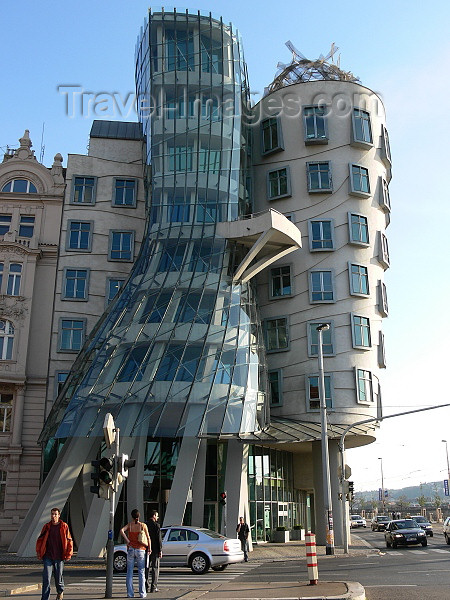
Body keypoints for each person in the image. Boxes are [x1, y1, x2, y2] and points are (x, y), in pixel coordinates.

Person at [36, 507, 73, 600]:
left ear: (59, 515)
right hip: (47, 556)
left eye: (55, 514)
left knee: (58, 577)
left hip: (59, 556)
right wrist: (39, 552)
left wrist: (69, 554)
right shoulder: (47, 526)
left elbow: (69, 541)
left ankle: (60, 591)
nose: (53, 516)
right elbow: (40, 540)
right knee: (46, 579)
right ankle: (45, 598)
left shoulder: (64, 526)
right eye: (52, 514)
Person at [120, 509, 151, 599]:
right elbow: (148, 538)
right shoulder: (143, 525)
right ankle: (142, 593)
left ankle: (130, 594)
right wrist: (149, 548)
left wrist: (127, 540)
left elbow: (121, 530)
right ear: (139, 516)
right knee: (141, 571)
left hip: (131, 549)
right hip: (141, 550)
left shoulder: (130, 525)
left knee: (129, 572)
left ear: (132, 516)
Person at [145, 510, 163, 593]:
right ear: (153, 516)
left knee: (146, 567)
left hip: (146, 549)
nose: (157, 517)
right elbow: (159, 539)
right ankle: (153, 587)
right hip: (155, 549)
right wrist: (160, 550)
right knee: (155, 568)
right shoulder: (156, 526)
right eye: (157, 516)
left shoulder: (145, 525)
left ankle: (146, 585)